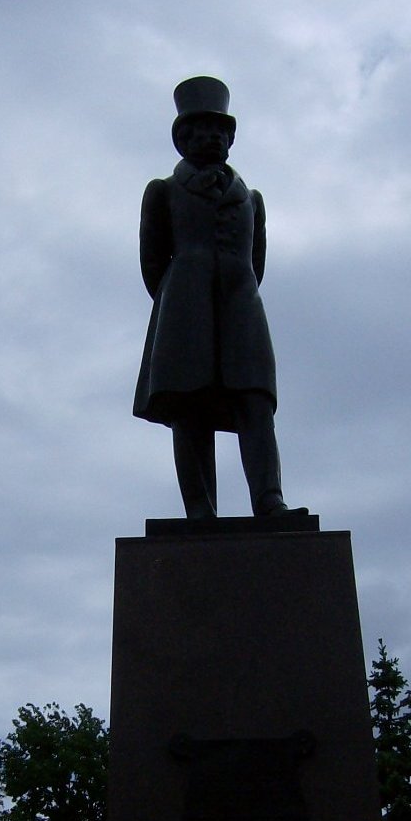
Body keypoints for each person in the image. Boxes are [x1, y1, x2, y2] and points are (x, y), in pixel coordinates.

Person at [134, 76, 303, 520]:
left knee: (255, 401)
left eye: (220, 130)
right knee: (189, 409)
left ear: (230, 138)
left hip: (241, 307)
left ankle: (269, 500)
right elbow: (153, 263)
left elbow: (256, 262)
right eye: (201, 130)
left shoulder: (251, 199)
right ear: (183, 140)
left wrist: (233, 289)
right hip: (183, 310)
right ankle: (200, 510)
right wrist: (182, 295)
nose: (212, 137)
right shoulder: (163, 191)